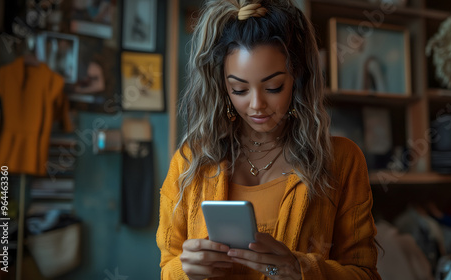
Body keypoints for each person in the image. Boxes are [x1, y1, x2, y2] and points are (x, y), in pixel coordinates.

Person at [156, 0, 381, 279]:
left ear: (297, 78)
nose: (256, 105)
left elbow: (365, 273)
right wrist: (185, 270)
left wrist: (300, 270)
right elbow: (167, 267)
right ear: (223, 86)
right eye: (239, 89)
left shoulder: (341, 160)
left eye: (274, 87)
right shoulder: (191, 161)